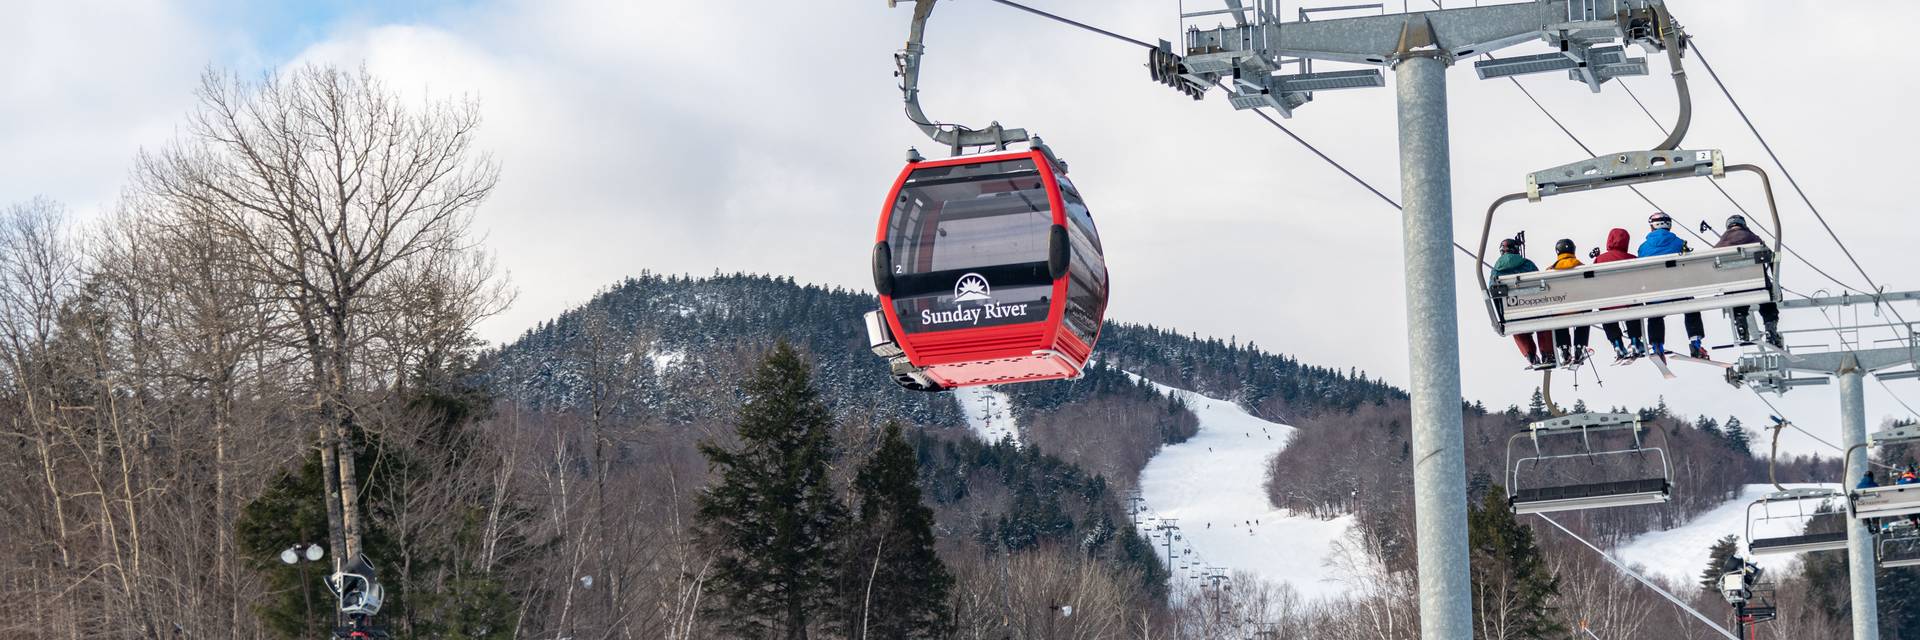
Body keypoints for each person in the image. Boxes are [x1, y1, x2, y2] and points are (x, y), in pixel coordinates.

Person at [1637, 212, 1707, 358]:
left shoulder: (1643, 248)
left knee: (1654, 313)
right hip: (1679, 291)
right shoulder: (1680, 243)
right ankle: (1695, 341)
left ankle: (1657, 345)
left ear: (1652, 226)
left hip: (1656, 294)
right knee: (1691, 308)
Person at [1714, 214, 1783, 348]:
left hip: (1735, 287)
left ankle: (1741, 323)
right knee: (1768, 301)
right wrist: (1775, 282)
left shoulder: (1722, 243)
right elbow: (1771, 257)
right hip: (1758, 284)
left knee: (1738, 296)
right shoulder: (1753, 238)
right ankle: (1770, 328)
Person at [1491, 237, 1554, 369]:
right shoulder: (1527, 264)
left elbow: (1493, 291)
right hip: (1534, 308)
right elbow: (1540, 282)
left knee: (1515, 325)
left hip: (1512, 312)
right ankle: (1547, 353)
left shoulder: (1496, 270)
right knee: (1543, 321)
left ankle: (1530, 354)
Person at [1592, 228, 1649, 360]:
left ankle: (1617, 343)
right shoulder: (1632, 258)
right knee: (1634, 307)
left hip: (1608, 303)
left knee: (1605, 311)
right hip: (1629, 301)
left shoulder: (1600, 259)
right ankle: (1635, 340)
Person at [1547, 238, 1593, 366]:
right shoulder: (1583, 267)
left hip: (1560, 310)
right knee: (1586, 309)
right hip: (1580, 309)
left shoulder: (1550, 271)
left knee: (1556, 313)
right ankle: (1579, 346)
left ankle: (1564, 347)